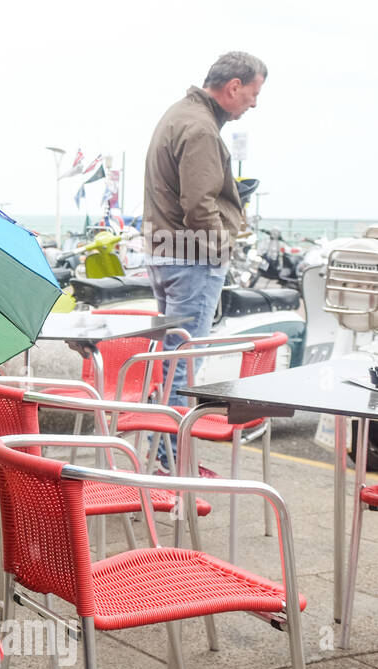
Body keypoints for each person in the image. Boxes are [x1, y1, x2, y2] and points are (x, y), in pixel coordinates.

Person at [144, 51, 266, 428]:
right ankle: (170, 463)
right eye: (252, 93)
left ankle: (161, 456)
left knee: (170, 361)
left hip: (166, 252)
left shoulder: (179, 114)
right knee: (183, 364)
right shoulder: (200, 128)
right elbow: (199, 206)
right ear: (233, 86)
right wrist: (222, 249)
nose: (254, 103)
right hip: (191, 258)